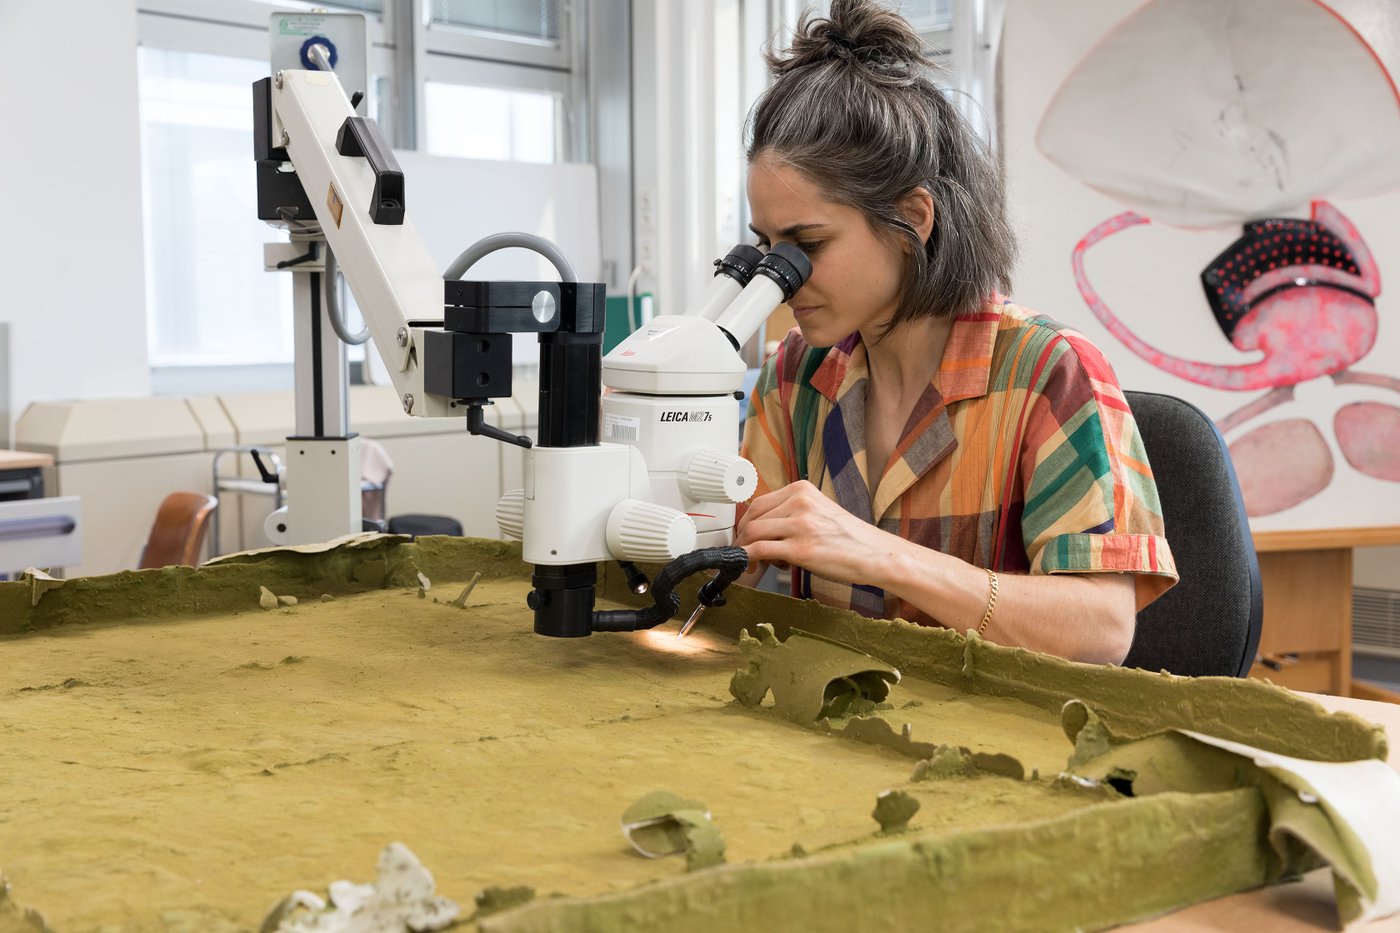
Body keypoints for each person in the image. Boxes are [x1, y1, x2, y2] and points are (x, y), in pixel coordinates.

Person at [733, 0, 1178, 665]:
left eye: (807, 243)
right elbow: (721, 581)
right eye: (766, 244)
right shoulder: (795, 375)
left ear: (912, 218)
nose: (781, 276)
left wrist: (882, 556)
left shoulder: (1048, 373)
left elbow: (1102, 630)